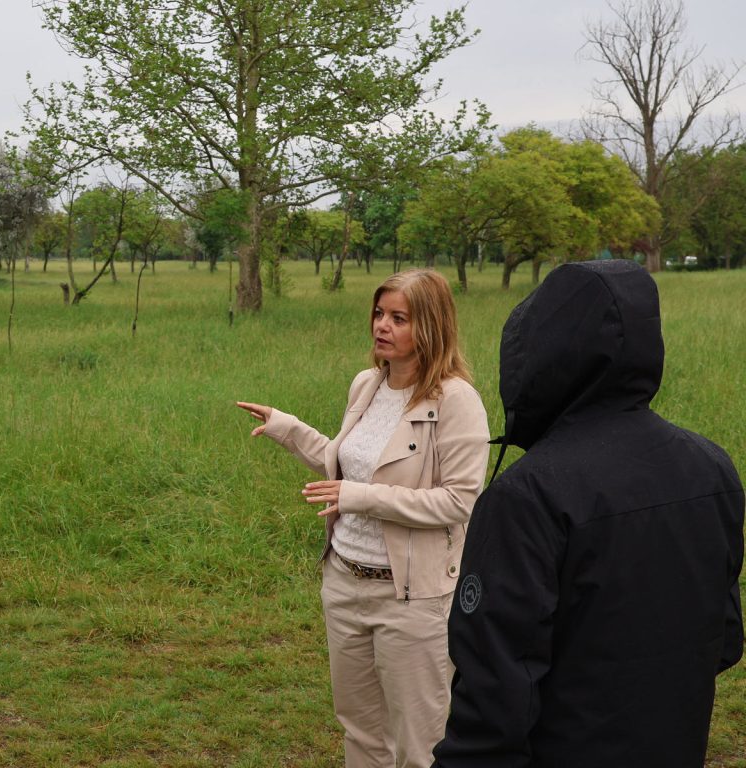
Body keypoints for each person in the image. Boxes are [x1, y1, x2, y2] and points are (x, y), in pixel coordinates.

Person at [432, 260, 745, 768]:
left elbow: (493, 697)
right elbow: (725, 639)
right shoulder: (712, 467)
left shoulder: (529, 494)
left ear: (543, 352)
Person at [237, 269, 490, 768]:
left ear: (433, 326)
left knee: (420, 743)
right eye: (379, 314)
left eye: (400, 318)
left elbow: (459, 502)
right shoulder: (367, 384)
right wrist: (286, 428)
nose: (382, 326)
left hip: (410, 598)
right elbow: (345, 464)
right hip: (344, 582)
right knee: (360, 729)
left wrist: (363, 497)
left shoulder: (457, 401)